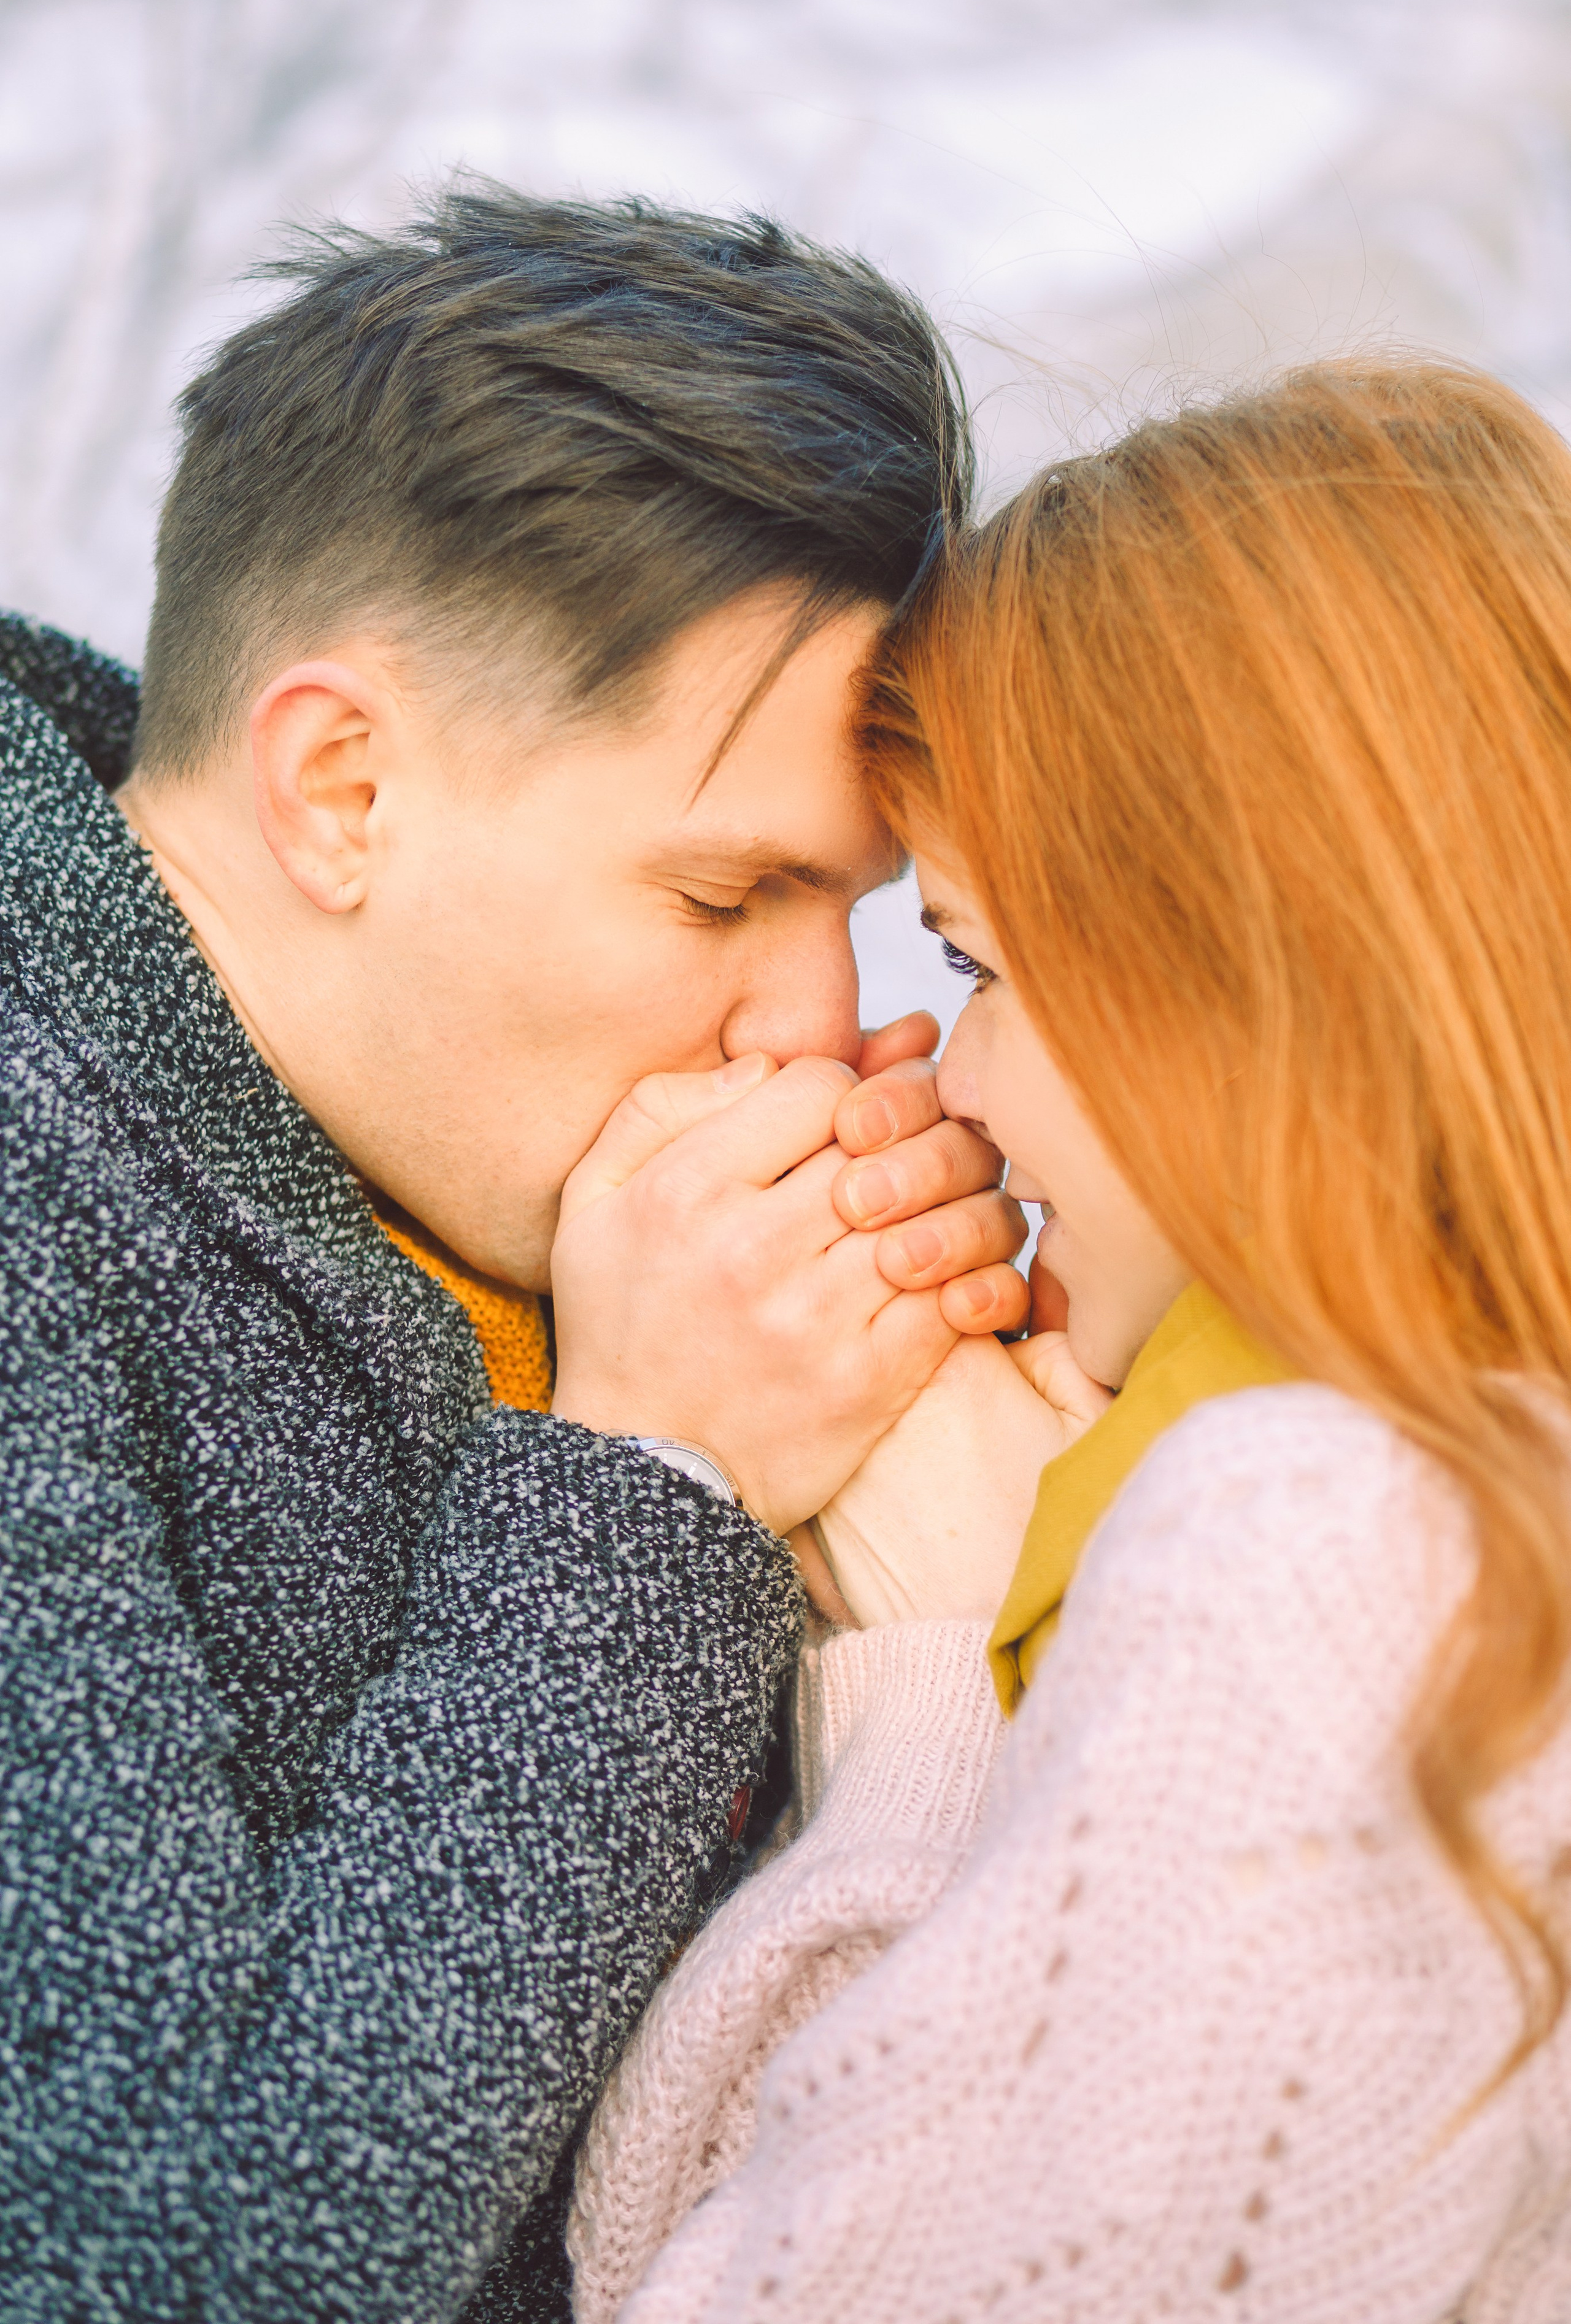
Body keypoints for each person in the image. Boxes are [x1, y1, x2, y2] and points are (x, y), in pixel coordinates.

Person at [0, 185, 1031, 2323]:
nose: (815, 1028)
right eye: (721, 892)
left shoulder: (508, 1160)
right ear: (343, 786)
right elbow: (156, 2268)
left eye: (852, 912)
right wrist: (655, 1485)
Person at [568, 359, 1571, 2322]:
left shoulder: (1329, 1538)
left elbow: (687, 2281)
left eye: (979, 959)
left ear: (1245, 961)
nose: (951, 1075)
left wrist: (936, 1685)